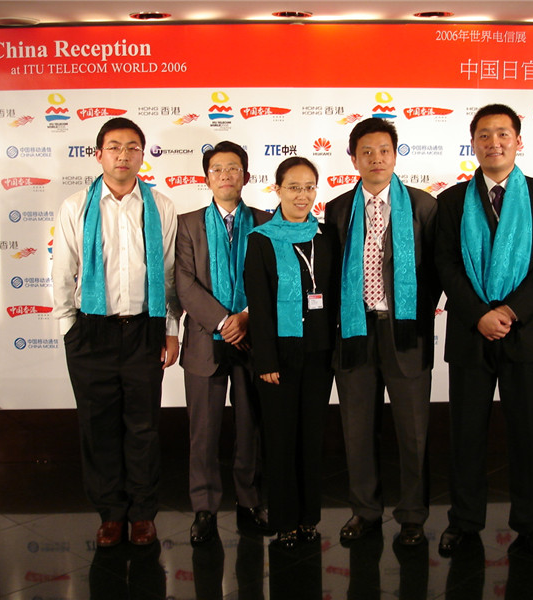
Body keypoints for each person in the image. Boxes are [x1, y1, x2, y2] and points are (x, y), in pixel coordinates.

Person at [435, 104, 533, 561]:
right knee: (466, 434)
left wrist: (510, 311)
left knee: (528, 435)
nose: (494, 142)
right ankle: (464, 521)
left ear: (518, 141)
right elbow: (445, 264)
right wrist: (479, 314)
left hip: (524, 334)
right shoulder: (452, 201)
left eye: (503, 134)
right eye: (485, 135)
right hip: (470, 333)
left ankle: (531, 525)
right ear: (473, 143)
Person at [52, 117, 181, 547]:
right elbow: (62, 272)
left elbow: (168, 274)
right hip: (91, 332)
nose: (123, 155)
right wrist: (70, 330)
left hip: (145, 329)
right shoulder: (76, 207)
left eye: (132, 147)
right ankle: (110, 514)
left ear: (142, 155)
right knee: (98, 427)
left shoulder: (160, 207)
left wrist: (170, 329)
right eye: (114, 147)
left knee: (143, 427)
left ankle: (142, 513)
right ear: (98, 154)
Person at [325, 118, 440, 547]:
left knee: (413, 429)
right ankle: (365, 511)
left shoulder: (424, 206)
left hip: (405, 331)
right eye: (367, 152)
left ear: (396, 154)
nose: (376, 159)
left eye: (384, 151)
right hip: (355, 330)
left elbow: (438, 270)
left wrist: (414, 314)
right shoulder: (338, 208)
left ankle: (412, 515)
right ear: (353, 159)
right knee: (357, 427)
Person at [175, 141, 272, 545]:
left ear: (246, 176)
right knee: (203, 432)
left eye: (233, 168)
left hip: (254, 340)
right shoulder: (186, 224)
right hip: (204, 342)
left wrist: (247, 316)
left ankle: (249, 500)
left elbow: (274, 278)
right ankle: (204, 508)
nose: (226, 175)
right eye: (217, 169)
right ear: (206, 178)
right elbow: (183, 282)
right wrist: (222, 320)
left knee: (252, 427)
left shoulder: (267, 221)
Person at [244, 157, 338, 549]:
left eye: (309, 187)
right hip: (278, 357)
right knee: (280, 440)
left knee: (311, 439)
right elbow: (259, 304)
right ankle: (284, 520)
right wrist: (265, 360)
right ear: (278, 189)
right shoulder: (261, 239)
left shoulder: (326, 235)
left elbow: (334, 294)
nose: (303, 195)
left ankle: (308, 518)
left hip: (319, 354)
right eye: (294, 187)